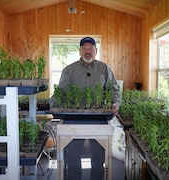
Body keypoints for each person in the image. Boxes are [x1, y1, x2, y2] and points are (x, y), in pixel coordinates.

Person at [50, 37, 121, 180]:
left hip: (99, 117)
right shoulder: (69, 70)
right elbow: (61, 91)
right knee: (72, 154)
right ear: (80, 51)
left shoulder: (104, 68)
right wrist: (52, 104)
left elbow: (114, 89)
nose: (87, 52)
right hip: (74, 117)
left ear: (96, 51)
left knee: (98, 154)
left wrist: (115, 103)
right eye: (84, 49)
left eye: (91, 49)